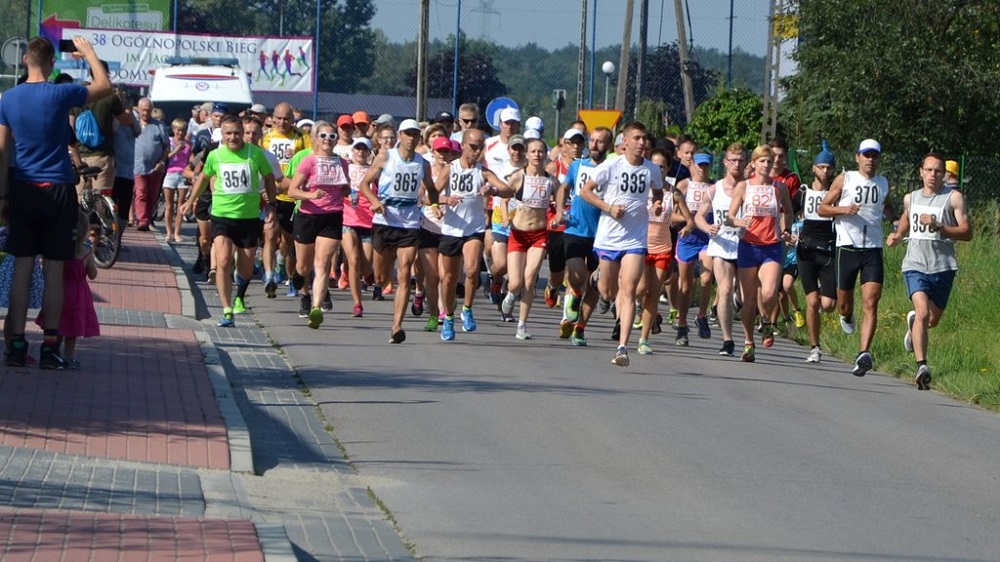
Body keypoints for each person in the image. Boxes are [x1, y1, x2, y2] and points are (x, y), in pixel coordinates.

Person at [0, 35, 111, 369]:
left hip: (22, 187)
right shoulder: (62, 93)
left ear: (24, 62)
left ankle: (16, 345)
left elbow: (3, 151)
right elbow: (104, 84)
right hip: (59, 189)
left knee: (22, 266)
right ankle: (51, 346)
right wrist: (90, 53)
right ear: (51, 64)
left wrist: (2, 195)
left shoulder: (7, 98)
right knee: (54, 269)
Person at [579, 122, 665, 367]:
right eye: (636, 138)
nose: (641, 143)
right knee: (607, 292)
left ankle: (622, 348)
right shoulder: (611, 165)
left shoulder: (651, 170)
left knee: (628, 290)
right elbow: (586, 191)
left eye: (644, 138)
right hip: (609, 237)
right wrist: (608, 207)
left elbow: (657, 192)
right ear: (625, 142)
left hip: (636, 239)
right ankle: (597, 281)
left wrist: (656, 204)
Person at [180, 115, 277, 328]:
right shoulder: (215, 155)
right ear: (222, 135)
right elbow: (204, 178)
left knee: (245, 271)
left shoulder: (255, 154)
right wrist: (190, 201)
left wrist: (271, 205)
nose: (233, 137)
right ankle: (226, 310)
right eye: (228, 133)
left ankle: (238, 290)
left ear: (242, 133)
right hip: (222, 215)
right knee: (223, 260)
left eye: (236, 133)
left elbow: (269, 178)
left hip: (249, 218)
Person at [886, 153, 972, 390]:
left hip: (943, 266)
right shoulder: (910, 198)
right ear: (921, 172)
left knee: (931, 320)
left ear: (944, 173)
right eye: (929, 170)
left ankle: (913, 322)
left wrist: (941, 227)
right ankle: (922, 366)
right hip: (914, 264)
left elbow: (967, 232)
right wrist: (898, 234)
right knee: (923, 313)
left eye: (938, 170)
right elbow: (906, 217)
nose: (933, 174)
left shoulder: (953, 198)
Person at [818, 139, 895, 377]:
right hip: (848, 247)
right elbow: (823, 208)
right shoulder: (845, 179)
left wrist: (894, 223)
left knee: (871, 302)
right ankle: (846, 314)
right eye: (866, 155)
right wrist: (844, 210)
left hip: (873, 248)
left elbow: (888, 206)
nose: (870, 160)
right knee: (843, 304)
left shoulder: (882, 183)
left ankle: (863, 353)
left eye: (874, 156)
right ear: (857, 157)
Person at [358, 119, 438, 343]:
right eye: (408, 134)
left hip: (409, 223)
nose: (411, 138)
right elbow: (364, 184)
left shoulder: (423, 164)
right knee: (382, 278)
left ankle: (396, 326)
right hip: (384, 220)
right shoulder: (386, 157)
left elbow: (431, 189)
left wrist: (435, 205)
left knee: (404, 275)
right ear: (400, 136)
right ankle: (379, 280)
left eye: (415, 134)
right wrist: (374, 200)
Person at [434, 128, 513, 341]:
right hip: (451, 229)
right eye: (474, 147)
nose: (478, 151)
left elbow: (508, 190)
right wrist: (444, 201)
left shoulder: (483, 172)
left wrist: (493, 191)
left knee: (471, 270)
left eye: (481, 147)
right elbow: (429, 195)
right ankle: (449, 317)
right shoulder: (450, 169)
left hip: (474, 229)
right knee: (449, 278)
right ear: (463, 146)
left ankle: (467, 309)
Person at [726, 144, 794, 363]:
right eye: (762, 160)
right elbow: (730, 217)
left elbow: (788, 211)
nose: (767, 164)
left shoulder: (779, 187)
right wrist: (739, 221)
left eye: (769, 161)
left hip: (771, 246)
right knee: (748, 302)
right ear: (753, 163)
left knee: (769, 292)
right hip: (748, 245)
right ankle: (748, 343)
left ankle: (765, 321)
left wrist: (786, 230)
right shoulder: (744, 187)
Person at [286, 121, 350, 329]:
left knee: (322, 264)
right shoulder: (308, 162)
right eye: (323, 136)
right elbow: (292, 191)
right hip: (307, 216)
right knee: (304, 266)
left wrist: (347, 192)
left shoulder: (342, 163)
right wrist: (311, 194)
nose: (327, 140)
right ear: (315, 138)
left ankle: (315, 308)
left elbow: (346, 189)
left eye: (332, 136)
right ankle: (299, 276)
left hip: (332, 216)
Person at [553, 126, 612, 347]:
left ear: (608, 145)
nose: (595, 145)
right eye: (593, 140)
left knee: (595, 285)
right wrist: (560, 210)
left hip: (603, 234)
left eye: (600, 141)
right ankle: (575, 293)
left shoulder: (612, 168)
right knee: (577, 275)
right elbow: (563, 188)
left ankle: (580, 328)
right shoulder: (578, 166)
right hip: (576, 229)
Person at [500, 138, 559, 339]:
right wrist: (505, 215)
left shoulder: (551, 181)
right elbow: (504, 196)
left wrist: (559, 216)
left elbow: (561, 201)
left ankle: (522, 324)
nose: (537, 155)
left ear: (545, 154)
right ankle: (509, 295)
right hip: (518, 233)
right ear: (526, 154)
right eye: (533, 151)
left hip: (539, 235)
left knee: (529, 278)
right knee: (515, 283)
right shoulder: (519, 177)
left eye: (540, 151)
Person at [636, 148, 692, 355]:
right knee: (640, 290)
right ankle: (635, 309)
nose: (658, 169)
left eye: (662, 166)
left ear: (668, 168)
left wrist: (685, 225)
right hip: (641, 245)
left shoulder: (673, 193)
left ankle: (644, 339)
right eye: (654, 165)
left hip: (663, 248)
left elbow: (688, 218)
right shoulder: (642, 189)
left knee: (652, 293)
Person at [695, 142, 746, 356]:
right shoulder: (714, 190)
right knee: (724, 290)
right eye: (733, 160)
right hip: (721, 245)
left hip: (745, 246)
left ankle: (738, 302)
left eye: (741, 160)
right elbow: (698, 216)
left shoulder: (751, 187)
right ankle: (728, 340)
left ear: (746, 163)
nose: (736, 164)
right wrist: (708, 228)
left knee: (744, 297)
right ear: (725, 162)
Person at [35, 212, 99, 369]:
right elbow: (92, 274)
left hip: (60, 290)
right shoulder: (86, 253)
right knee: (73, 329)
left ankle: (54, 352)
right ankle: (69, 357)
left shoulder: (61, 250)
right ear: (85, 232)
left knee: (60, 325)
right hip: (78, 294)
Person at [796, 143, 838, 363]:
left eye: (828, 167)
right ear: (813, 168)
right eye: (820, 167)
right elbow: (787, 210)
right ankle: (815, 347)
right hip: (806, 251)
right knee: (812, 302)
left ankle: (826, 295)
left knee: (828, 305)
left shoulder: (837, 194)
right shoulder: (803, 192)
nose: (824, 171)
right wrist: (786, 231)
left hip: (829, 252)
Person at [260, 102, 307, 297]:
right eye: (278, 118)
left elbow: (308, 160)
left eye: (286, 118)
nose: (282, 122)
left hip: (292, 196)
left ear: (293, 119)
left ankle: (289, 276)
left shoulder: (302, 138)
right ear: (272, 118)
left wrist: (296, 155)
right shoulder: (266, 139)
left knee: (288, 243)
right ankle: (269, 276)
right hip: (272, 195)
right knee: (270, 234)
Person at [674, 151, 716, 345]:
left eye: (706, 165)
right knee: (685, 285)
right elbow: (671, 217)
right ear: (692, 166)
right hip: (686, 238)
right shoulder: (683, 186)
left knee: (707, 278)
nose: (702, 169)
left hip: (706, 238)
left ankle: (701, 315)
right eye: (699, 165)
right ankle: (682, 325)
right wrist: (689, 220)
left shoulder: (715, 188)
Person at [543, 128, 586, 314]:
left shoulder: (586, 166)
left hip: (577, 224)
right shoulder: (554, 167)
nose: (575, 147)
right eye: (571, 143)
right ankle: (552, 287)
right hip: (556, 224)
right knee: (558, 273)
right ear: (564, 146)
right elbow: (541, 190)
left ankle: (567, 316)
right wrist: (551, 200)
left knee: (574, 271)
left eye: (579, 143)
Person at [343, 137, 375, 317]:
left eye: (364, 149)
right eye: (357, 149)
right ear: (352, 150)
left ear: (369, 152)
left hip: (368, 221)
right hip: (348, 219)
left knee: (365, 267)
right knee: (353, 260)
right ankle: (357, 303)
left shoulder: (374, 171)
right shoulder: (345, 168)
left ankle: (369, 275)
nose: (360, 152)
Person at [132, 98, 171, 231]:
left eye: (148, 111)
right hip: (138, 166)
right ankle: (142, 220)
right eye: (143, 110)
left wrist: (161, 161)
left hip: (155, 167)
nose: (145, 113)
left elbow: (166, 147)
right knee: (141, 193)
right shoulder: (133, 124)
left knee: (152, 195)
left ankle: (148, 218)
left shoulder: (159, 126)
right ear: (138, 109)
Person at [163, 117, 192, 242]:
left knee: (181, 204)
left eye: (183, 130)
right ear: (174, 129)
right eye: (178, 130)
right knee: (169, 205)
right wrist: (176, 150)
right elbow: (165, 158)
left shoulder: (188, 144)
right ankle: (169, 232)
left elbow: (190, 160)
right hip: (170, 173)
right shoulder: (169, 142)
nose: (181, 133)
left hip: (182, 175)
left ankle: (177, 233)